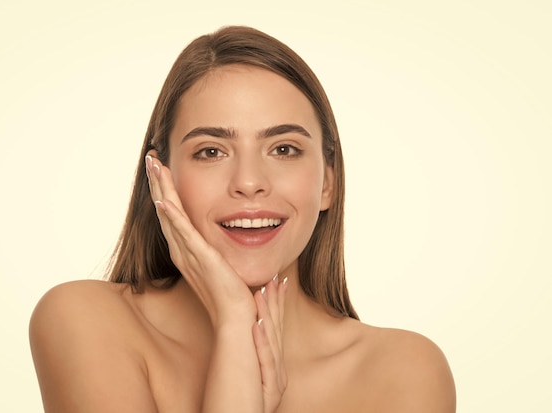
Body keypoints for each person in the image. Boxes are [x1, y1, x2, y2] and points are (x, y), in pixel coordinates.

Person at [29, 25, 456, 412]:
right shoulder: (86, 321)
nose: (249, 183)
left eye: (284, 149)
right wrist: (235, 326)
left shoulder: (403, 372)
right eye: (211, 151)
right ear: (162, 177)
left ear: (328, 183)